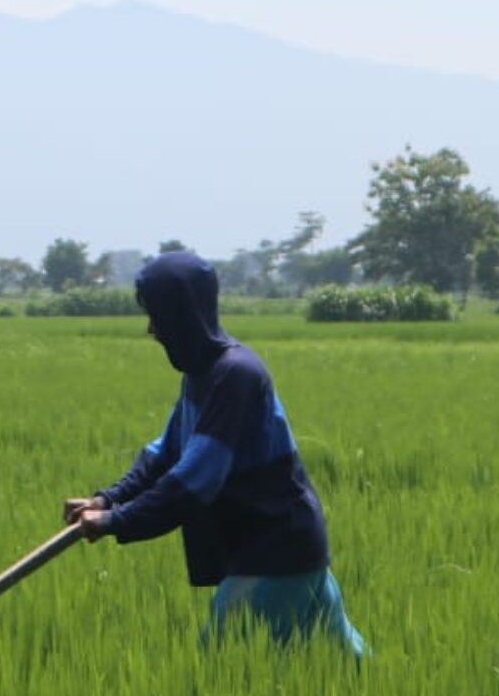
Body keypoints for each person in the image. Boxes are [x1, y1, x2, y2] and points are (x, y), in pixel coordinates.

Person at [64, 252, 366, 655]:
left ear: (183, 314)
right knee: (342, 667)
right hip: (283, 544)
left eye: (158, 316)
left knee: (225, 662)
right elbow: (164, 455)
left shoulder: (236, 375)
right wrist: (106, 498)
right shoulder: (201, 375)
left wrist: (115, 521)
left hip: (273, 547)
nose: (152, 329)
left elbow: (194, 480)